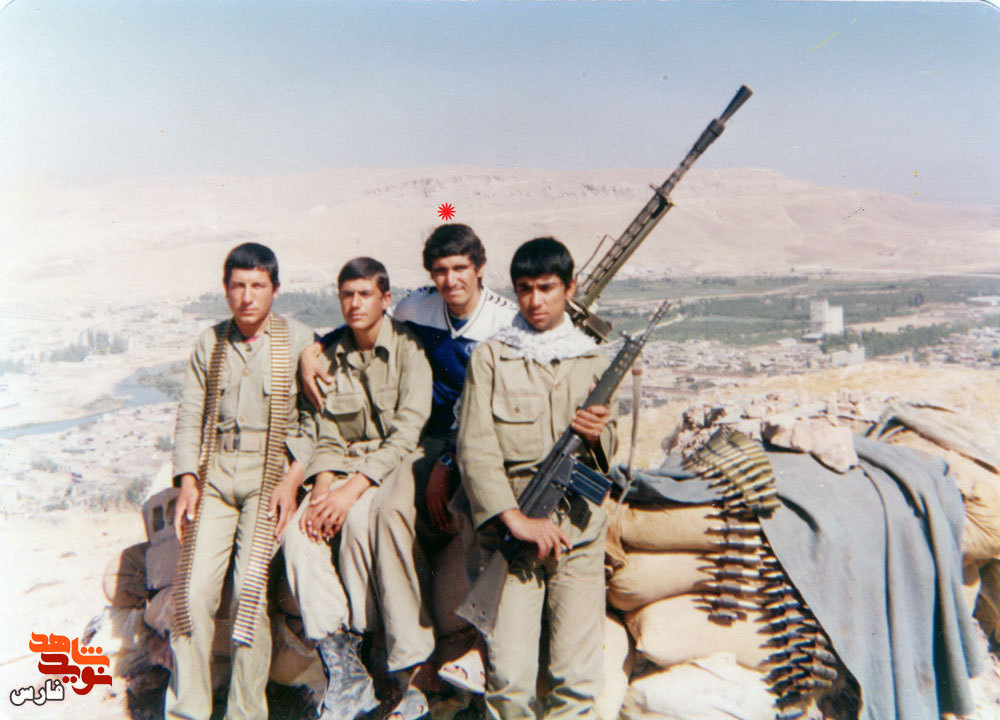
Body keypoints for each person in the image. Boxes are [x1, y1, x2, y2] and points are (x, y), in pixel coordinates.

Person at [300, 225, 517, 714]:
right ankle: (407, 663)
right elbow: (364, 321)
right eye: (440, 270)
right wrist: (313, 348)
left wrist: (448, 464)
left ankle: (480, 652)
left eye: (460, 268)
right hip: (425, 439)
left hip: (481, 442)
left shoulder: (504, 322)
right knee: (386, 512)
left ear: (480, 268)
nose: (450, 280)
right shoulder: (419, 306)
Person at [456, 237, 617, 719]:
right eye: (524, 289)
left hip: (577, 533)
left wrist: (598, 435)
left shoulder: (592, 358)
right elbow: (475, 448)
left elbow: (611, 451)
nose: (535, 301)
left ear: (571, 288)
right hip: (512, 534)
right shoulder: (492, 357)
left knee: (578, 681)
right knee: (508, 683)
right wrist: (515, 519)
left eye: (547, 288)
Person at [167, 242, 316, 720]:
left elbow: (315, 422)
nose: (247, 296)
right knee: (190, 595)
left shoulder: (299, 340)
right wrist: (186, 479)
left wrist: (293, 479)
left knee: (249, 594)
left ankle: (245, 712)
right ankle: (187, 711)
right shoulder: (209, 343)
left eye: (257, 285)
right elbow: (190, 417)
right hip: (215, 475)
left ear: (275, 288)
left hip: (269, 475)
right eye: (238, 286)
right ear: (226, 289)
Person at [281, 257, 432, 720]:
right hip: (342, 467)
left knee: (365, 520)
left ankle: (390, 658)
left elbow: (406, 434)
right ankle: (343, 666)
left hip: (396, 461)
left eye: (365, 294)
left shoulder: (410, 351)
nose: (355, 303)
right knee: (300, 535)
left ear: (386, 299)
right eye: (346, 294)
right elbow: (326, 433)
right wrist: (324, 488)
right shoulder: (329, 357)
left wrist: (351, 493)